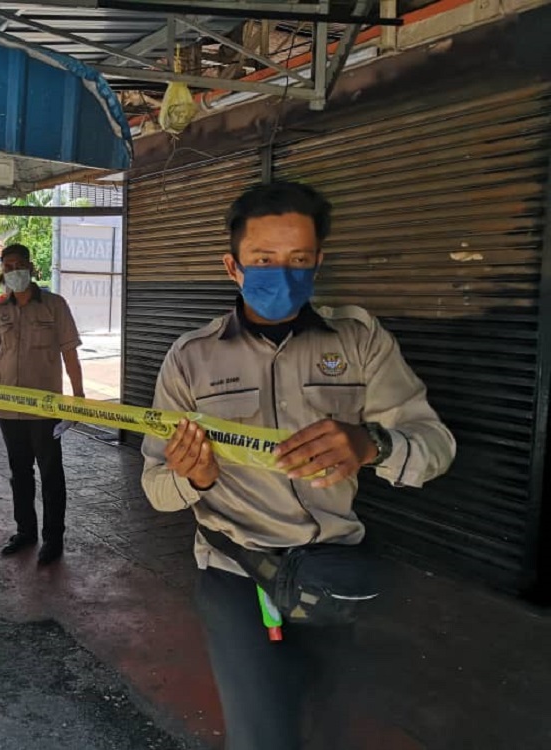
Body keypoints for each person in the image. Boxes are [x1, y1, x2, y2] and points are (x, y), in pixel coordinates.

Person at [141, 181, 456, 750]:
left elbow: (435, 445)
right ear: (233, 266)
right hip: (236, 571)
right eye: (263, 260)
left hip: (333, 573)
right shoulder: (191, 358)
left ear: (318, 263)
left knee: (328, 727)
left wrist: (371, 446)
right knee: (262, 735)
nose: (281, 274)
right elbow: (156, 489)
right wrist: (195, 477)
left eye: (298, 261)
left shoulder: (360, 341)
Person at [0, 244, 84, 566]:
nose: (13, 271)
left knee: (52, 474)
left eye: (18, 264)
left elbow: (70, 354)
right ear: (2, 271)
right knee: (20, 473)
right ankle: (26, 531)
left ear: (30, 266)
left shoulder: (54, 306)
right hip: (10, 412)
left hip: (45, 412)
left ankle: (54, 539)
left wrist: (78, 398)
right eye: (7, 266)